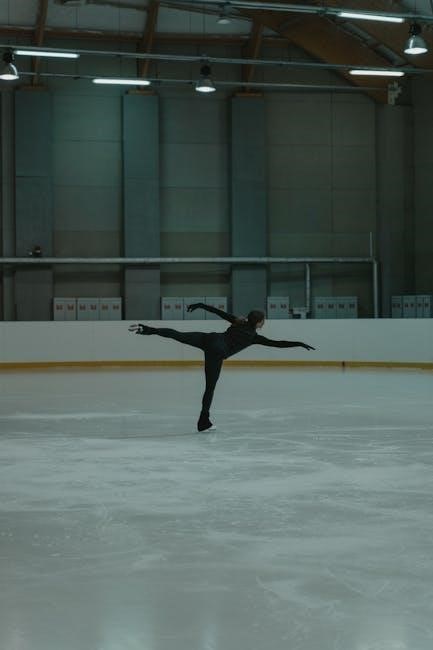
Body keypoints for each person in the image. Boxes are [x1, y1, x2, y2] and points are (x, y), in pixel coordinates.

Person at [128, 302, 315, 432]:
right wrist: (298, 343)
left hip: (210, 338)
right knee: (209, 388)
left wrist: (200, 305)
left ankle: (146, 329)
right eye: (263, 320)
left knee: (178, 335)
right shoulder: (254, 337)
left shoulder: (238, 321)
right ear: (259, 322)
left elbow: (218, 312)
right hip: (216, 352)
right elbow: (278, 344)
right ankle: (203, 422)